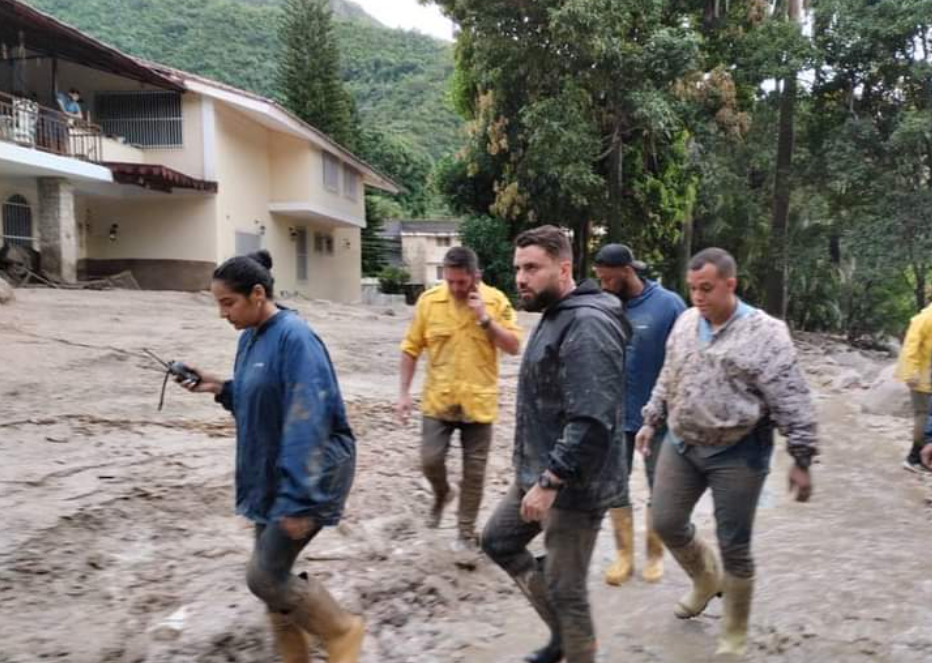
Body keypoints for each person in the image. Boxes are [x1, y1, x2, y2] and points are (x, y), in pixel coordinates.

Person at [181, 251, 364, 663]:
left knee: (264, 575)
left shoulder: (295, 337)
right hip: (274, 472)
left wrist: (298, 497)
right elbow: (259, 399)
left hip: (312, 470)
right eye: (219, 304)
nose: (222, 314)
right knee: (272, 579)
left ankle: (342, 632)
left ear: (258, 293)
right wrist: (217, 387)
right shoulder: (250, 338)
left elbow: (308, 419)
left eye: (228, 303)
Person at [636, 247, 818, 656]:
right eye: (692, 289)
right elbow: (669, 374)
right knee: (665, 521)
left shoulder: (766, 334)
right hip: (681, 443)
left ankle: (733, 632)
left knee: (734, 542)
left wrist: (802, 458)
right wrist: (650, 420)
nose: (698, 297)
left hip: (738, 452)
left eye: (706, 288)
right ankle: (705, 580)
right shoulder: (685, 321)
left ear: (730, 284)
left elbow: (792, 399)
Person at [481, 226, 630, 663]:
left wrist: (550, 480)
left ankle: (578, 646)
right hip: (541, 469)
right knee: (499, 540)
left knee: (567, 588)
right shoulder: (558, 312)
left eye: (532, 268)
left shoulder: (586, 323)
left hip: (574, 483)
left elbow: (591, 418)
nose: (520, 279)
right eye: (517, 269)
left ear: (563, 268)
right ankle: (564, 638)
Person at [397, 246, 522, 549]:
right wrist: (403, 393)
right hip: (438, 400)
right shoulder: (429, 302)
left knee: (474, 473)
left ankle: (465, 532)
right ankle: (442, 493)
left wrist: (485, 319)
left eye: (461, 282)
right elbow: (411, 348)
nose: (454, 288)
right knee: (430, 460)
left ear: (475, 277)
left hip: (478, 403)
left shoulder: (496, 301)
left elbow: (514, 345)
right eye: (449, 281)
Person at [593, 243, 686, 586]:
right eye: (598, 279)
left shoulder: (669, 305)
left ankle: (655, 555)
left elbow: (684, 360)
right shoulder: (606, 306)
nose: (603, 286)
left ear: (627, 271)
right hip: (614, 416)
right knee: (615, 486)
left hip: (658, 419)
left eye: (607, 279)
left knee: (658, 488)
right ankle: (623, 556)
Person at [894, 301, 932, 473]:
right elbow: (910, 348)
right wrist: (911, 373)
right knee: (923, 416)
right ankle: (914, 458)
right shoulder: (924, 318)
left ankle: (918, 457)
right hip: (921, 377)